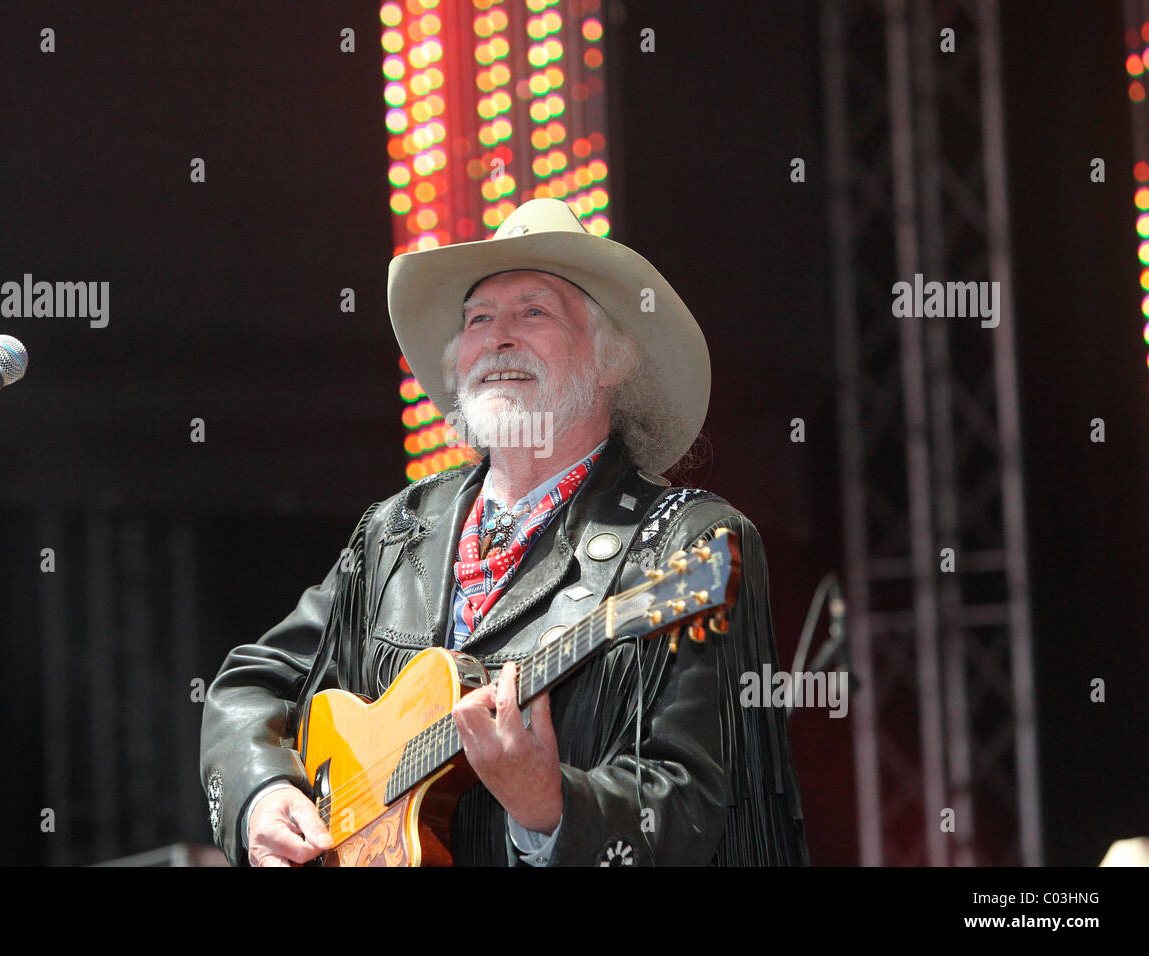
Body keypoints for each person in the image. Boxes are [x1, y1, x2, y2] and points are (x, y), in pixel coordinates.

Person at [199, 198, 809, 866]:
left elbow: (698, 808)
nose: (497, 338)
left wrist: (551, 806)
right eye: (478, 319)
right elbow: (251, 685)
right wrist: (260, 793)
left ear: (611, 359)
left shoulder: (688, 543)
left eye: (534, 312)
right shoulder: (396, 531)